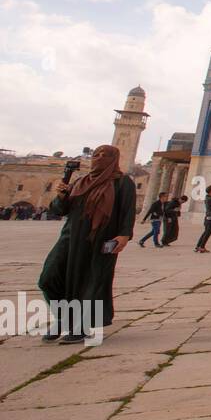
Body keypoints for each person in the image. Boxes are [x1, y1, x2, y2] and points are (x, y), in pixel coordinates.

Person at [38, 144, 135, 343]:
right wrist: (62, 195)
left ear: (114, 159)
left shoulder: (122, 182)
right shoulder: (81, 182)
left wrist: (124, 235)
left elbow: (127, 210)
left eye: (104, 155)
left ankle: (81, 327)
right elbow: (59, 210)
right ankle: (63, 318)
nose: (99, 158)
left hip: (101, 240)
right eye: (96, 154)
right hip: (71, 237)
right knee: (49, 276)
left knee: (91, 282)